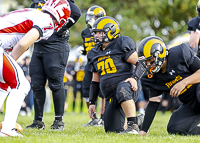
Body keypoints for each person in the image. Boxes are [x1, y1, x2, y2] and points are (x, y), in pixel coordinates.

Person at [0, 0, 71, 137]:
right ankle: (8, 129)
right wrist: (11, 61)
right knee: (22, 85)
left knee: (3, 84)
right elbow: (23, 43)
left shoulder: (35, 13)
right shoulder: (47, 21)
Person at [26, 0, 81, 130]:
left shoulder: (60, 1)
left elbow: (76, 12)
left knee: (55, 83)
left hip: (56, 46)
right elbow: (29, 17)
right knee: (36, 84)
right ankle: (38, 121)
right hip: (38, 46)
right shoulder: (37, 3)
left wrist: (61, 29)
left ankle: (58, 121)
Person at [87, 16, 145, 134]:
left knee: (122, 88)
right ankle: (139, 120)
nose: (97, 36)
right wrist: (92, 102)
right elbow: (95, 81)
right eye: (95, 33)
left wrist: (134, 79)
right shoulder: (94, 53)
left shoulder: (120, 43)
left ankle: (132, 126)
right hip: (110, 95)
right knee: (112, 130)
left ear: (111, 31)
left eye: (100, 32)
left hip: (127, 88)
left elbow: (141, 63)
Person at [138, 36, 200, 136]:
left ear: (161, 54)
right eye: (146, 62)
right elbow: (153, 102)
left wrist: (184, 82)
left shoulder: (179, 53)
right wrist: (143, 130)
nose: (149, 65)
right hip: (191, 103)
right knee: (175, 128)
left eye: (151, 60)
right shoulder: (152, 77)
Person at [78, 5, 106, 126]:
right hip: (89, 64)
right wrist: (84, 51)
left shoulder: (106, 30)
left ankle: (104, 118)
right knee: (85, 91)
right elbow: (87, 47)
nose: (89, 19)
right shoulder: (85, 32)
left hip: (101, 63)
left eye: (92, 16)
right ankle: (94, 118)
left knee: (104, 92)